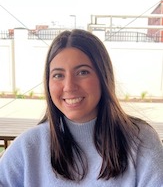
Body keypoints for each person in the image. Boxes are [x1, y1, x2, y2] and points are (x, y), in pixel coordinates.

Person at [0, 29, 163, 187]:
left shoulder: (141, 140)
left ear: (103, 77)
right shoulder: (28, 146)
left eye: (83, 72)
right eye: (58, 75)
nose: (69, 86)